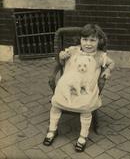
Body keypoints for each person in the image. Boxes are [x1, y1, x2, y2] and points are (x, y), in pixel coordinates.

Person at [43, 23, 115, 152]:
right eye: (85, 39)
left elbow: (112, 63)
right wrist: (62, 56)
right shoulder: (73, 50)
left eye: (92, 40)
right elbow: (61, 60)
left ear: (99, 41)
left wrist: (108, 70)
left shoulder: (100, 56)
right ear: (80, 40)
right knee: (56, 104)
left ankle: (83, 136)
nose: (88, 43)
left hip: (87, 89)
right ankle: (52, 129)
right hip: (67, 85)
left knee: (85, 107)